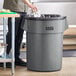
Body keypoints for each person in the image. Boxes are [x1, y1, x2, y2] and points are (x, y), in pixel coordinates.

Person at [0, 0, 38, 67]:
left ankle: (16, 58)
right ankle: (3, 57)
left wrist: (29, 5)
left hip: (24, 9)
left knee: (19, 35)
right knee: (12, 34)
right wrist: (30, 5)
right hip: (14, 8)